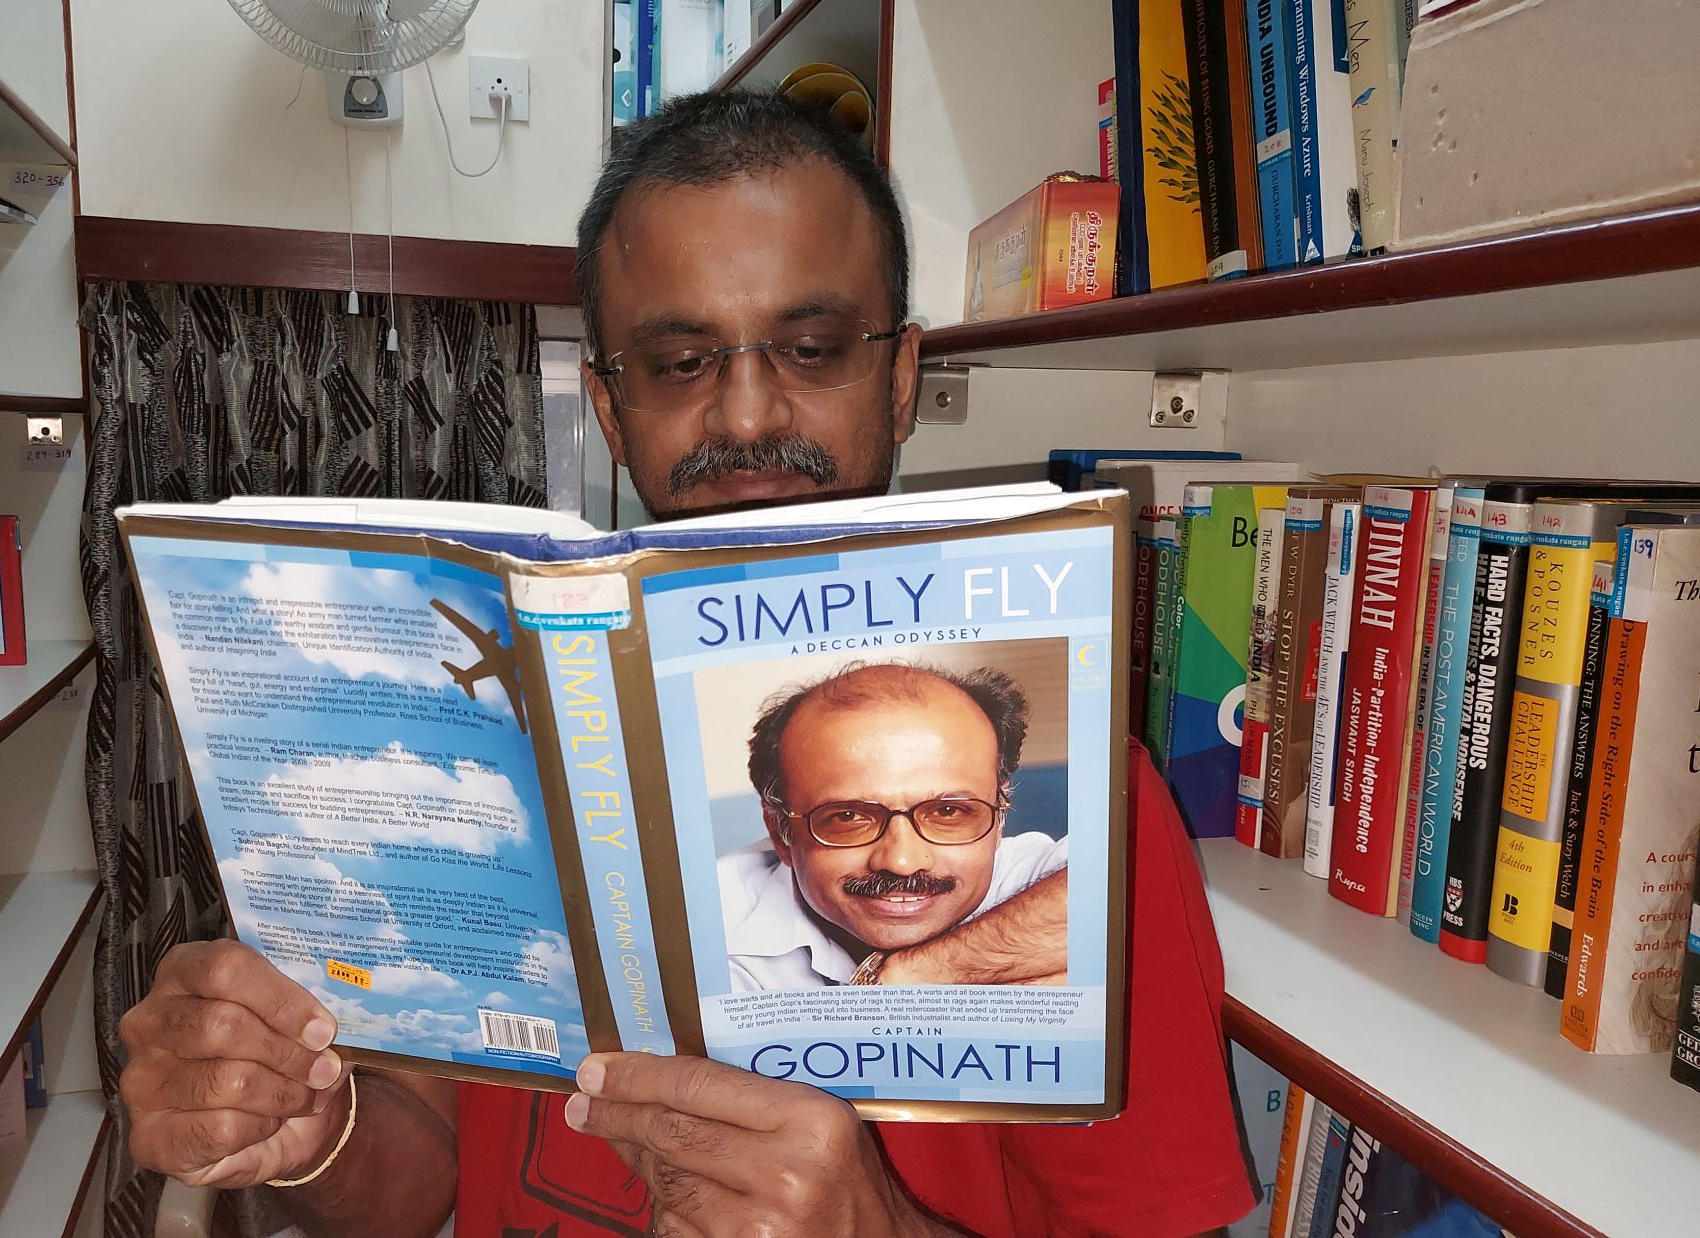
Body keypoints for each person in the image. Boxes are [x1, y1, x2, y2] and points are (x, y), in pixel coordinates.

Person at [119, 90, 1256, 1237]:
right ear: (610, 408)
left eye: (811, 348)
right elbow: (417, 1186)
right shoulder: (482, 732)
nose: (748, 415)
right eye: (677, 361)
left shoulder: (1108, 814)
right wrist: (309, 1129)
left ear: (903, 375)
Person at [723, 662, 1071, 990]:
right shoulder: (710, 929)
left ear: (999, 818)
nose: (902, 861)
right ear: (780, 832)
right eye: (849, 817)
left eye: (947, 811)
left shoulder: (1042, 881)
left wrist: (917, 973)